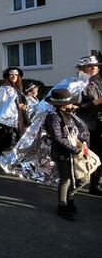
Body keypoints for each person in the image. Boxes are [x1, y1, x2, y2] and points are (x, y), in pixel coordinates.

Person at [44, 88, 89, 221]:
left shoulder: (69, 115)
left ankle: (69, 199)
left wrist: (83, 142)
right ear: (63, 104)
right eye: (70, 102)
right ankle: (62, 206)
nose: (72, 104)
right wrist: (75, 150)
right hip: (62, 154)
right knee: (66, 179)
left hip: (74, 153)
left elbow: (75, 132)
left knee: (83, 179)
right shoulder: (54, 118)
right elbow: (57, 138)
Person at [75, 55, 102, 196]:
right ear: (82, 69)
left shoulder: (99, 82)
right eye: (90, 66)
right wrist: (97, 102)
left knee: (99, 155)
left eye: (95, 66)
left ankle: (95, 185)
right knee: (83, 156)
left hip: (99, 124)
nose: (93, 68)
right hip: (85, 126)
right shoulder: (77, 84)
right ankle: (72, 188)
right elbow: (75, 106)